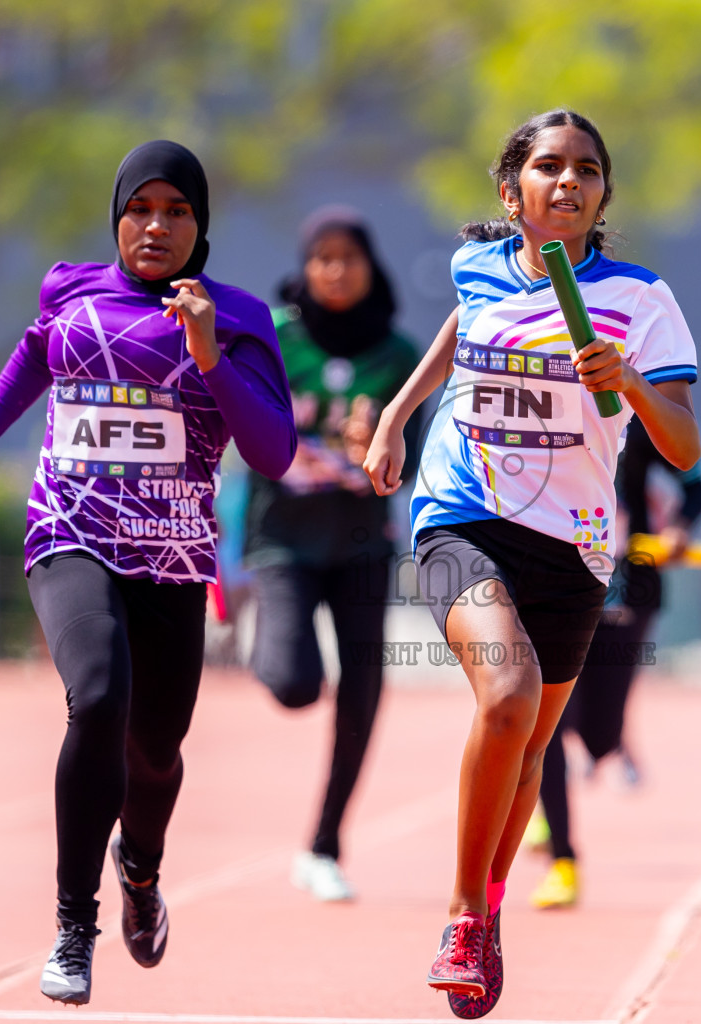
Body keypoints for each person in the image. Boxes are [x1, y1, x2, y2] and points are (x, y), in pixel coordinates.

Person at [0, 141, 295, 1006]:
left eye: (175, 211)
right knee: (96, 699)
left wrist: (208, 354)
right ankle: (72, 924)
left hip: (170, 555)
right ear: (117, 217)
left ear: (200, 227)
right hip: (71, 530)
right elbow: (33, 354)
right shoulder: (73, 288)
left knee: (156, 753)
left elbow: (273, 454)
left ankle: (141, 866)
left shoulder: (238, 318)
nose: (155, 226)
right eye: (139, 209)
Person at [362, 108, 701, 1019]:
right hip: (458, 516)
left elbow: (681, 445)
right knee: (506, 697)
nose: (569, 181)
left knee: (529, 752)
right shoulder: (478, 266)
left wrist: (626, 380)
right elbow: (459, 331)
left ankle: (494, 905)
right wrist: (396, 418)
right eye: (548, 167)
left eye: (587, 169)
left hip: (576, 546)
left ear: (602, 195)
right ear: (512, 192)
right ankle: (465, 915)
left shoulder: (641, 298)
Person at [243, 206, 419, 901]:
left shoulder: (400, 357)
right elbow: (243, 425)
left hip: (361, 540)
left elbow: (416, 454)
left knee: (365, 686)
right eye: (322, 257)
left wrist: (375, 448)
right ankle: (276, 655)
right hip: (284, 536)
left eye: (349, 257)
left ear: (372, 267)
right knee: (294, 683)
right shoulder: (273, 339)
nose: (335, 270)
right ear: (304, 267)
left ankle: (325, 841)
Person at [530, 418, 701, 908]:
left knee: (599, 737)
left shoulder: (646, 425)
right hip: (554, 585)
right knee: (546, 727)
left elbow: (698, 489)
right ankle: (563, 860)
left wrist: (676, 529)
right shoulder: (543, 417)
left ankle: (606, 750)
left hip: (628, 590)